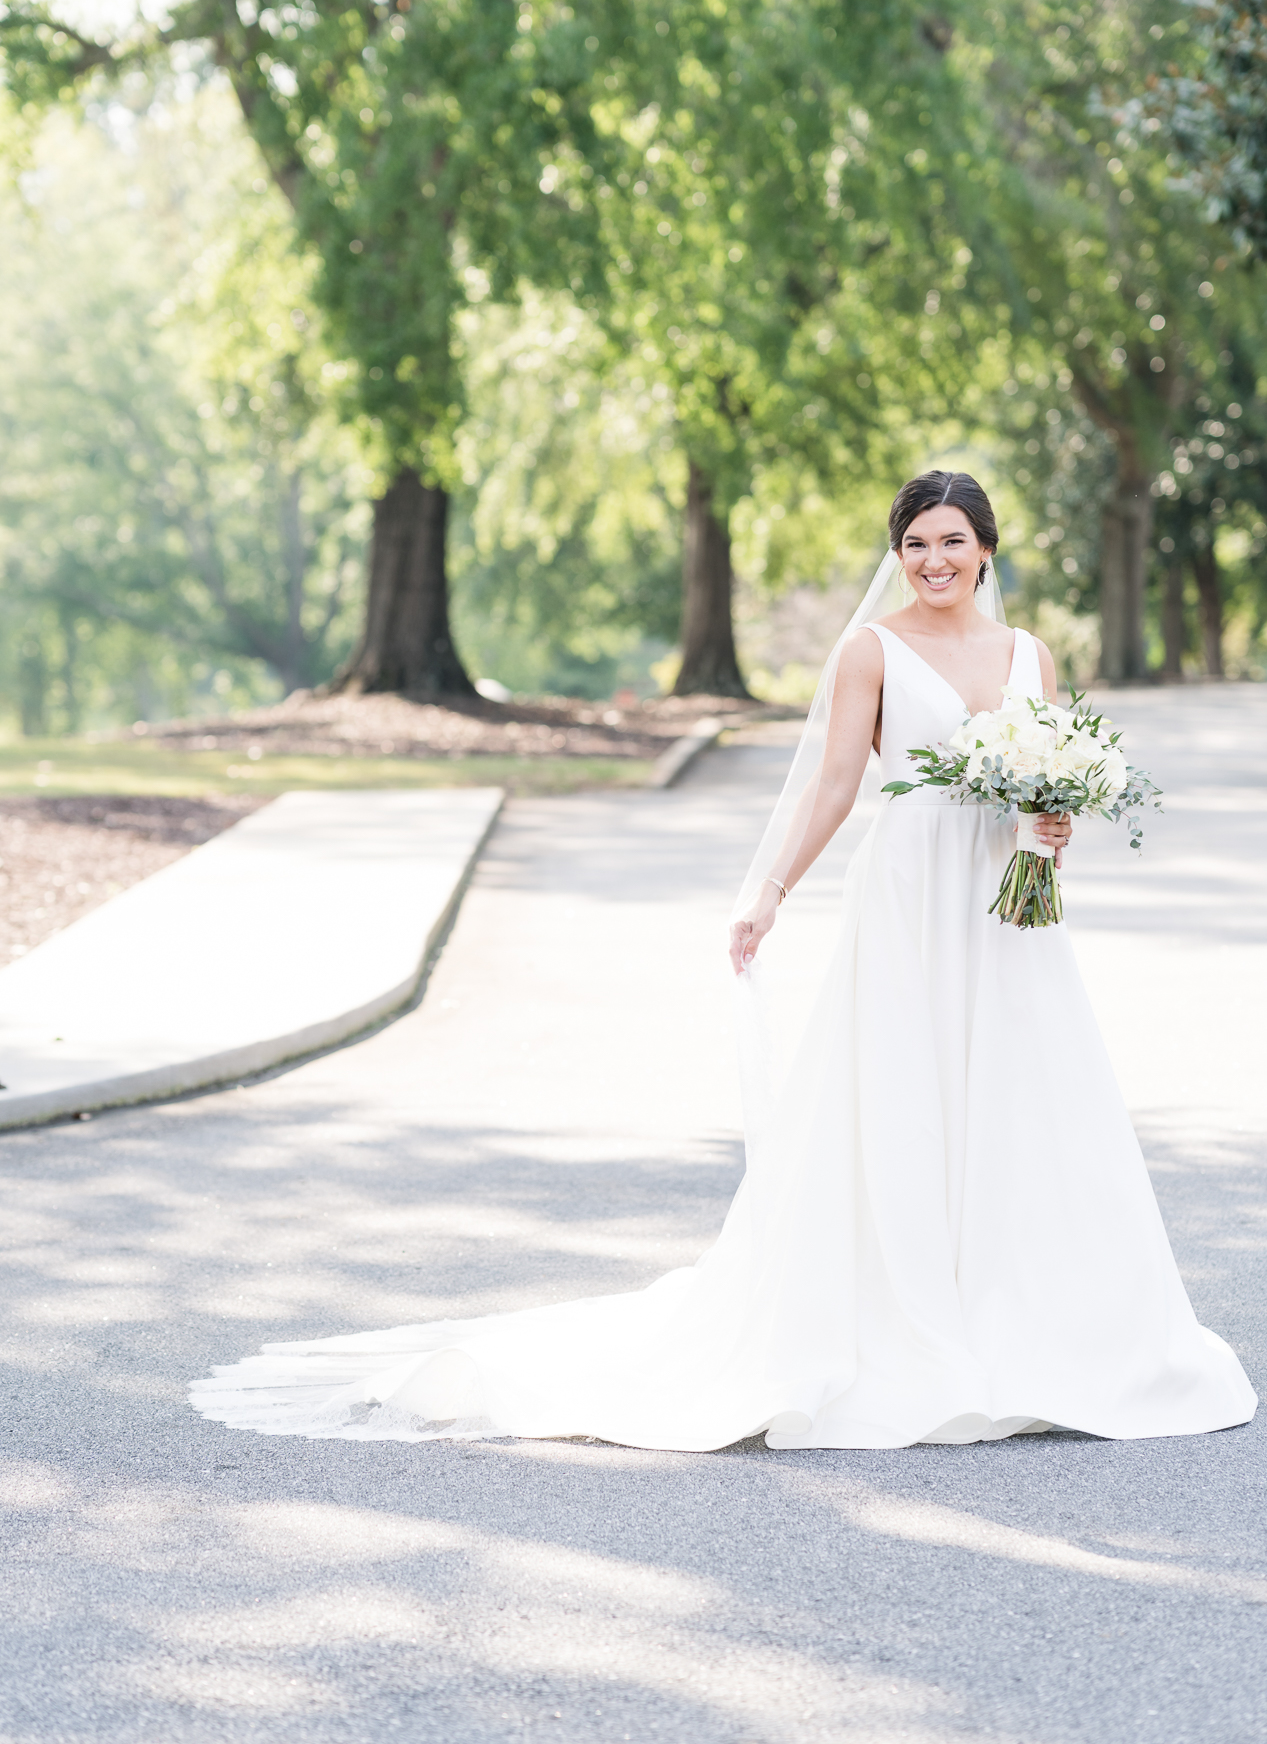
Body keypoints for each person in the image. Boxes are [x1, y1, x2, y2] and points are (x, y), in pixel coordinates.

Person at [191, 470, 1256, 1450]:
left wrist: (1053, 821)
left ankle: (1031, 1320)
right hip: (906, 898)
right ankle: (911, 1321)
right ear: (899, 553)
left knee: (1022, 1097)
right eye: (915, 542)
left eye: (952, 541)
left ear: (986, 549)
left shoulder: (1032, 657)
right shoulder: (869, 651)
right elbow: (835, 784)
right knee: (903, 1094)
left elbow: (1046, 780)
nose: (933, 559)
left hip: (1007, 908)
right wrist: (769, 891)